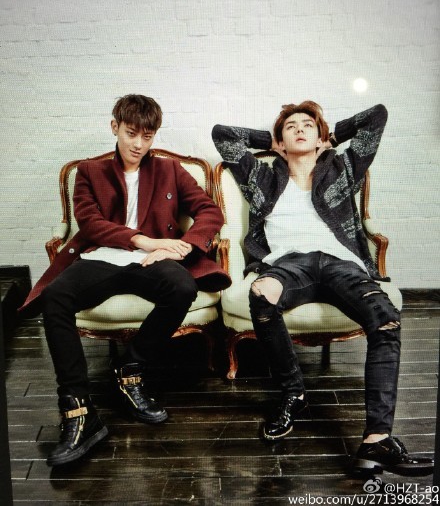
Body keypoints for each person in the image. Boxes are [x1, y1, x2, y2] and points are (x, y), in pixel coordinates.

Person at [212, 102, 434, 477]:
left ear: (319, 138)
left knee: (385, 318)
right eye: (291, 127)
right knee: (261, 292)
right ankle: (293, 393)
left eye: (308, 125)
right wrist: (270, 140)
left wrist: (333, 135)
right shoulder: (262, 177)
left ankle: (376, 440)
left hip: (340, 264)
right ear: (280, 141)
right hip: (288, 264)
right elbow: (222, 135)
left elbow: (377, 116)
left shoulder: (343, 170)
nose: (300, 129)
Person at [20, 94, 231, 467]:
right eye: (131, 133)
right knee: (56, 297)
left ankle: (131, 370)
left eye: (147, 136)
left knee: (183, 287)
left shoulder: (170, 170)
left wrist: (182, 246)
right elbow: (90, 223)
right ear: (115, 127)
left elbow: (209, 211)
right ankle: (79, 410)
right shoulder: (89, 171)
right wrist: (143, 240)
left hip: (152, 261)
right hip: (103, 256)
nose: (138, 144)